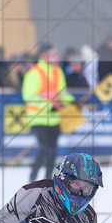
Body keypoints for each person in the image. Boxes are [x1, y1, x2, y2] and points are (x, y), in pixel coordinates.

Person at [22, 44, 74, 182]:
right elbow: (29, 96)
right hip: (38, 118)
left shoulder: (58, 71)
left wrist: (72, 101)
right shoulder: (34, 73)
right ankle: (33, 178)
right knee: (45, 149)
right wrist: (48, 106)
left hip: (54, 118)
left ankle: (47, 179)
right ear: (44, 56)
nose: (57, 56)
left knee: (53, 151)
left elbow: (62, 93)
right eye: (53, 54)